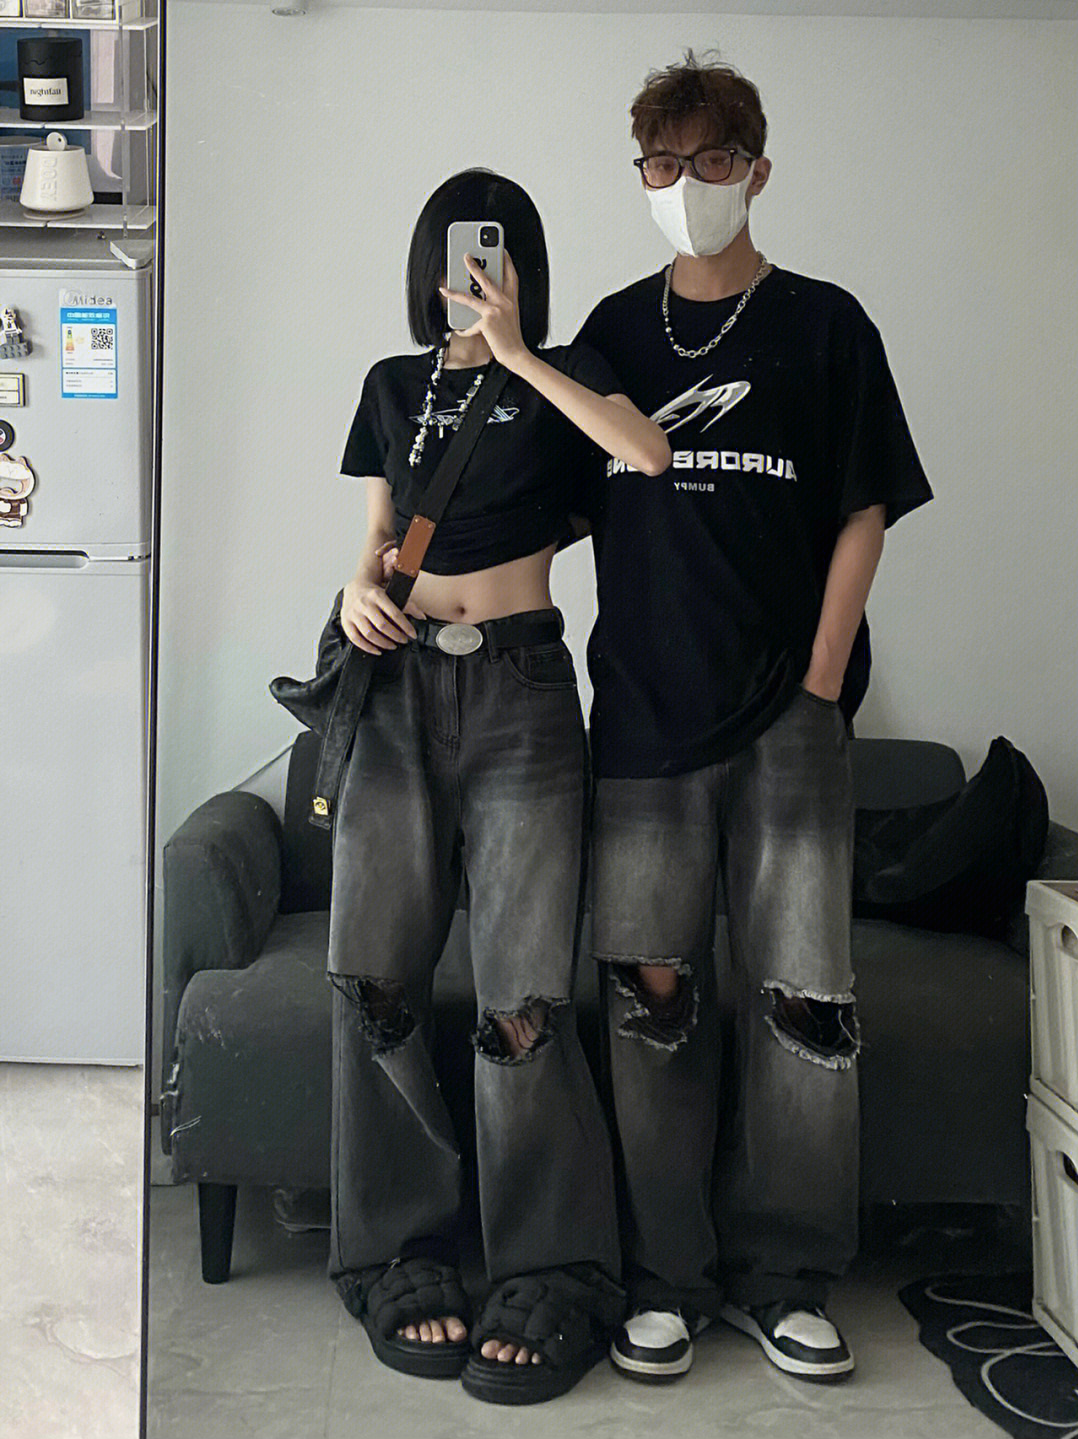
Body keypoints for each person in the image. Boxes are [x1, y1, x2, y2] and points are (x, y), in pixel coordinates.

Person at [571, 50, 934, 1383]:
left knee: (802, 1002)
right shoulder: (610, 332)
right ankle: (667, 1278)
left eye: (713, 160)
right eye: (663, 164)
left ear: (758, 170)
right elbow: (540, 488)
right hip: (644, 721)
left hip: (789, 714)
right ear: (643, 175)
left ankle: (787, 1277)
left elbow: (867, 507)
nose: (688, 183)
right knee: (651, 997)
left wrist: (823, 681)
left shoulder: (828, 325)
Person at [325, 167, 670, 1405]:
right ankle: (395, 1250)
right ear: (428, 267)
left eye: (495, 252)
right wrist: (355, 591)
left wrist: (517, 352)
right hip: (398, 683)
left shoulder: (564, 373)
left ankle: (552, 1265)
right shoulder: (389, 384)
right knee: (373, 975)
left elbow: (646, 451)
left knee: (523, 989)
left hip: (522, 685)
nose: (471, 272)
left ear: (522, 266)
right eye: (456, 254)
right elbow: (377, 542)